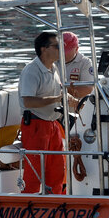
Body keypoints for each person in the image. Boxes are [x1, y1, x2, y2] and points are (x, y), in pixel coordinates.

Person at [18, 31, 79, 194]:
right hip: (36, 125)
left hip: (52, 124)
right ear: (44, 49)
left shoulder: (53, 68)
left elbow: (58, 92)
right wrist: (56, 99)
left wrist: (70, 99)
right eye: (57, 46)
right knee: (35, 171)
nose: (61, 49)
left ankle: (55, 200)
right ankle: (29, 204)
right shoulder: (32, 71)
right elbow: (28, 101)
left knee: (58, 168)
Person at [61, 32, 94, 99]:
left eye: (67, 51)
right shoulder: (51, 59)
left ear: (76, 49)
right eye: (61, 50)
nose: (63, 54)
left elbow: (88, 91)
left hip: (75, 106)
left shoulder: (85, 63)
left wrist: (59, 89)